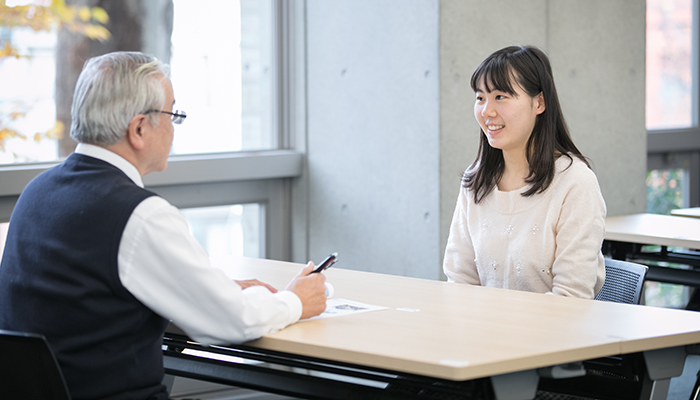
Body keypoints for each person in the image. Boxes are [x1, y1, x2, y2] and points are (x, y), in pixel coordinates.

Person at [0, 51, 328, 400]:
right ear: (139, 128)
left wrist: (208, 290)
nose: (175, 127)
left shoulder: (37, 192)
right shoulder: (139, 216)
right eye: (173, 114)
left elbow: (87, 298)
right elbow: (236, 322)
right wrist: (295, 299)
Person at [442, 45, 606, 299]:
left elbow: (571, 297)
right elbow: (459, 281)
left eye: (501, 97)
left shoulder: (576, 183)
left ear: (539, 102)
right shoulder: (476, 181)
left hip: (555, 336)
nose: (487, 111)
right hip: (483, 334)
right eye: (480, 98)